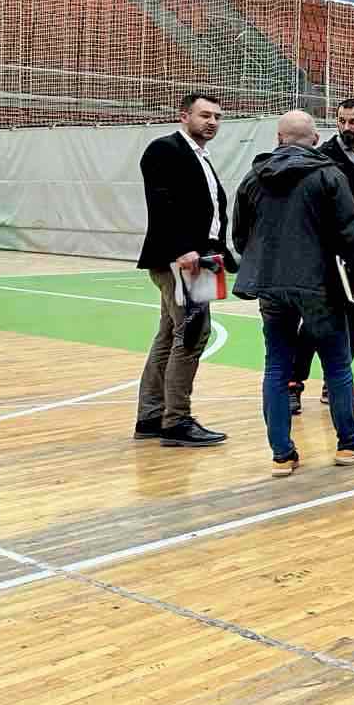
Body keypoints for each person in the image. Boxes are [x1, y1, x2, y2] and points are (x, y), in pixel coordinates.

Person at [232, 110, 354, 476]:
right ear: (315, 139)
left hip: (271, 285)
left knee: (276, 366)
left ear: (278, 138)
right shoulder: (329, 175)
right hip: (319, 285)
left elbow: (240, 235)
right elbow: (352, 232)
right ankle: (349, 443)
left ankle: (282, 454)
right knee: (337, 364)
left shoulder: (254, 177)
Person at [132, 91, 235, 447]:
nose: (212, 122)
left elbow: (211, 212)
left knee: (170, 334)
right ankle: (175, 420)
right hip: (183, 260)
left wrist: (223, 254)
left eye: (217, 117)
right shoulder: (165, 149)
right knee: (192, 334)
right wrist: (182, 250)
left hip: (200, 259)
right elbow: (162, 203)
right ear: (184, 116)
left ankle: (151, 416)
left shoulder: (200, 157)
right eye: (205, 115)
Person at [287, 98, 354, 415]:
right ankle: (293, 383)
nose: (347, 127)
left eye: (353, 121)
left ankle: (335, 385)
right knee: (315, 322)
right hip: (328, 256)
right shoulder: (322, 158)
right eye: (341, 121)